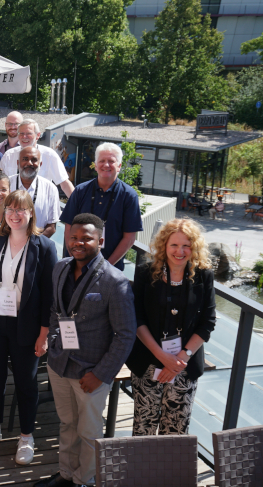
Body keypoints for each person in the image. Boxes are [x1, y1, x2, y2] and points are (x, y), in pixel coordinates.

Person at [36, 213, 136, 487]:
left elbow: (125, 335)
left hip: (90, 372)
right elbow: (56, 311)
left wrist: (102, 374)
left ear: (101, 241)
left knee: (89, 431)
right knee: (67, 424)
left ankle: (84, 480)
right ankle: (67, 474)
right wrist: (54, 343)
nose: (78, 243)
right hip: (59, 364)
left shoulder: (116, 283)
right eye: (74, 238)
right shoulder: (61, 267)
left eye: (86, 238)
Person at [0, 190, 58, 465]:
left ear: (31, 212)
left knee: (26, 383)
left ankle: (26, 436)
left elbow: (50, 295)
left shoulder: (44, 247)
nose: (14, 214)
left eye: (21, 209)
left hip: (27, 325)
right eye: (10, 208)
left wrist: (44, 334)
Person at [126, 219, 215, 436]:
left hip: (184, 365)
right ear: (164, 245)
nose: (180, 251)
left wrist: (181, 358)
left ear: (194, 248)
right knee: (143, 428)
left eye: (186, 245)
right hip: (148, 361)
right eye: (174, 245)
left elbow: (207, 323)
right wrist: (162, 356)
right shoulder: (146, 272)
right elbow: (137, 318)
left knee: (175, 431)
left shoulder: (203, 275)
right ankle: (142, 470)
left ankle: (169, 471)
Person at [59, 142, 143, 271]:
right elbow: (68, 228)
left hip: (110, 269)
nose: (106, 165)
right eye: (102, 161)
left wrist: (104, 267)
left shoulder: (129, 196)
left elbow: (129, 238)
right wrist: (76, 262)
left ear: (119, 166)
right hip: (75, 267)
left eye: (111, 161)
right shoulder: (80, 191)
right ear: (96, 165)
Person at [0, 119, 75, 197]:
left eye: (29, 133)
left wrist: (78, 206)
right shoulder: (9, 155)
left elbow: (65, 184)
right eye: (21, 133)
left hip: (40, 206)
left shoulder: (49, 155)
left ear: (38, 135)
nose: (24, 137)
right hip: (12, 207)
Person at [9, 146, 60, 237]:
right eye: (25, 159)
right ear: (18, 163)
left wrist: (33, 245)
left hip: (36, 247)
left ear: (40, 164)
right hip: (8, 243)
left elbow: (51, 227)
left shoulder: (50, 189)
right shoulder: (6, 184)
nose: (29, 163)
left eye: (34, 160)